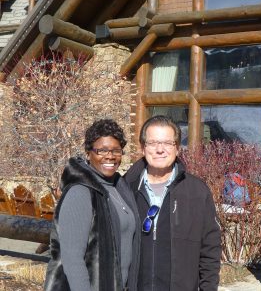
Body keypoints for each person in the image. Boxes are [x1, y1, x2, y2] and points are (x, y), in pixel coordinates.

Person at [125, 115, 221, 291]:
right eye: (152, 143)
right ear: (142, 148)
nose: (160, 149)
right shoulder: (125, 189)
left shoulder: (197, 192)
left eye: (167, 143)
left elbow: (210, 250)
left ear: (177, 148)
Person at [44, 119, 140, 291]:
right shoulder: (80, 192)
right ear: (88, 153)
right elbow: (73, 260)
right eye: (102, 150)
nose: (110, 156)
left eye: (116, 150)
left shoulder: (119, 188)